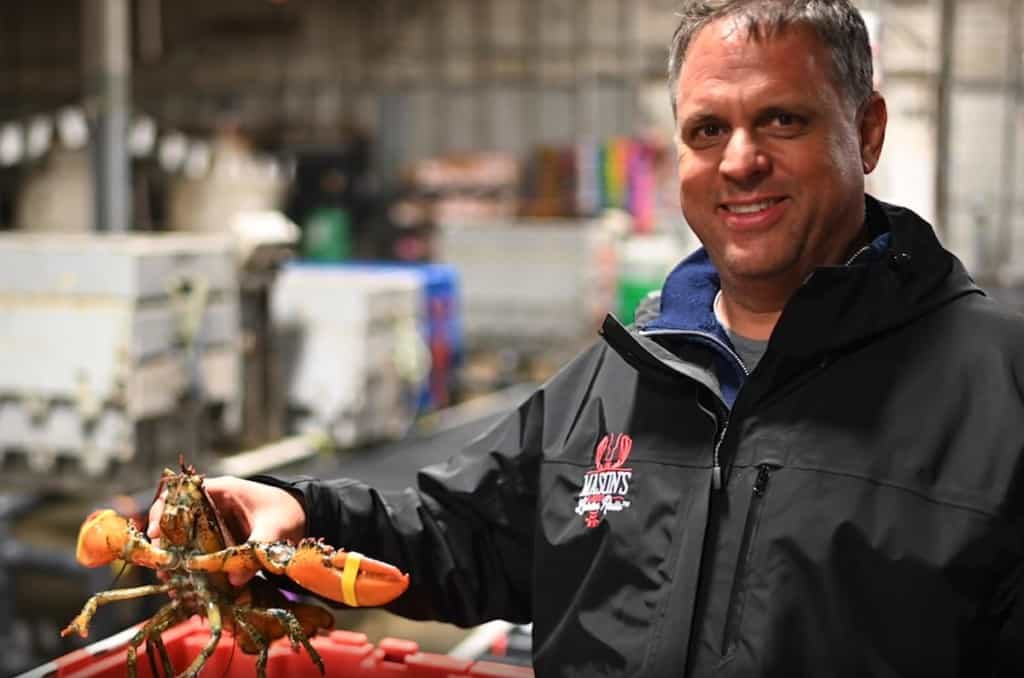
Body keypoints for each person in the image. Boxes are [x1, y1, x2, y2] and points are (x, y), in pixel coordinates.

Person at [150, 1, 1024, 675]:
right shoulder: (623, 374)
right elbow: (467, 532)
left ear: (865, 132)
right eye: (706, 130)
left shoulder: (996, 388)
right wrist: (303, 509)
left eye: (782, 121)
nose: (739, 160)